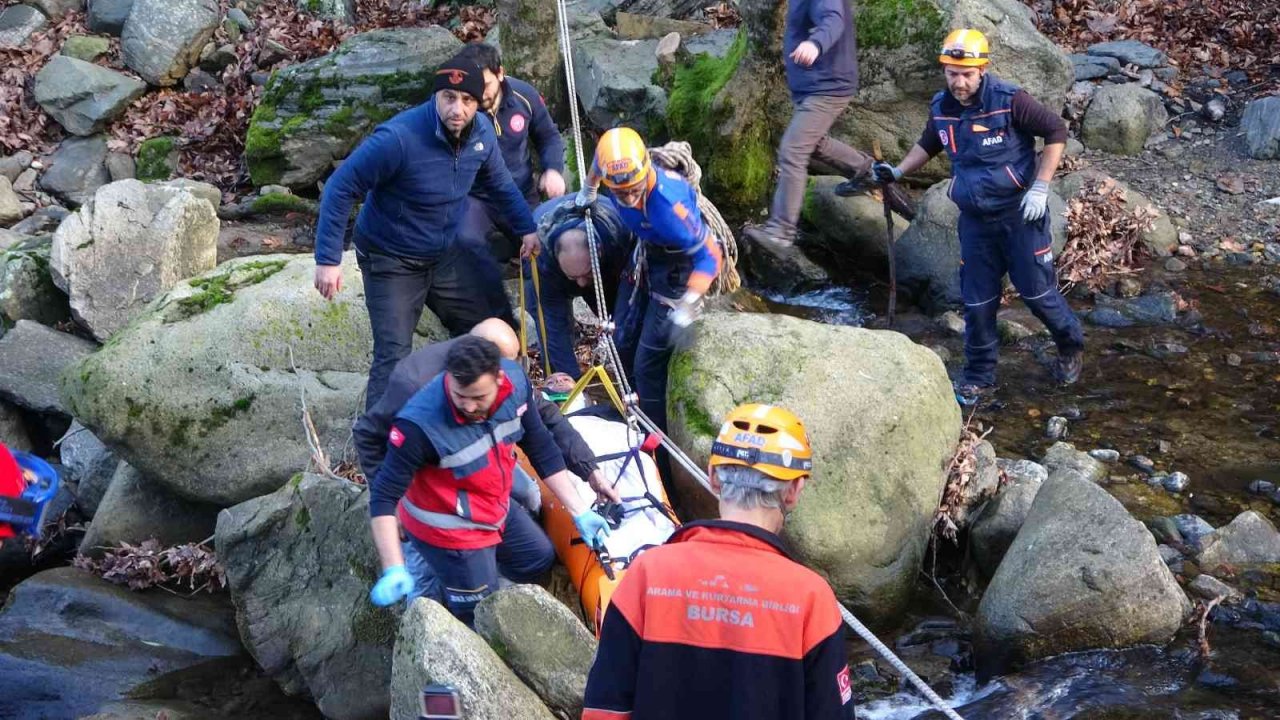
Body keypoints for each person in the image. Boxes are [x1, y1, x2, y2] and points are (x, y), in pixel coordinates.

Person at [582, 403, 855, 720]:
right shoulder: (811, 597)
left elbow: (604, 708)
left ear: (713, 476)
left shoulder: (647, 574)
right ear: (794, 490)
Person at [312, 54, 540, 411]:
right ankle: (379, 439)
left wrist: (527, 229)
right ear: (435, 96)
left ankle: (494, 413)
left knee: (493, 324)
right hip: (391, 257)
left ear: (479, 103)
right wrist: (328, 259)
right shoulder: (399, 138)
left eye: (467, 100)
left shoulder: (482, 133)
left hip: (444, 251)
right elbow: (341, 187)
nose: (457, 109)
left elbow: (501, 185)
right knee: (394, 356)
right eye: (449, 97)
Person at [873, 28, 1084, 404]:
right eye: (952, 73)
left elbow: (1056, 130)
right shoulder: (942, 107)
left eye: (967, 74)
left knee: (1037, 294)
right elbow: (930, 142)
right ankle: (979, 377)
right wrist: (899, 171)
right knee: (977, 302)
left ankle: (1070, 345)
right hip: (975, 221)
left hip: (1020, 215)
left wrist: (1040, 187)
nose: (959, 82)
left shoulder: (1009, 100)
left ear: (982, 70)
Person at [354, 319, 621, 605]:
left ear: (499, 375)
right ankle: (443, 602)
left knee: (537, 557)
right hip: (446, 522)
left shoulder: (513, 382)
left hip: (488, 495)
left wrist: (582, 502)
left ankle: (480, 581)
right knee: (451, 593)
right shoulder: (416, 407)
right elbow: (378, 472)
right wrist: (393, 560)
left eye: (479, 398)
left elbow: (542, 441)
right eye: (461, 397)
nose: (469, 406)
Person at [576, 127, 721, 433]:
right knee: (621, 341)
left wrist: (689, 300)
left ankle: (654, 437)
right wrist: (589, 189)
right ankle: (629, 410)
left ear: (646, 171)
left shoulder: (670, 207)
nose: (629, 198)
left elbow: (710, 255)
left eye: (634, 188)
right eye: (620, 193)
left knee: (647, 364)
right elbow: (598, 163)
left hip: (677, 267)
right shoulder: (613, 171)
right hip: (646, 252)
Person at [742, 0, 876, 252]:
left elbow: (833, 18)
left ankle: (781, 232)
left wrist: (816, 44)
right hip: (814, 88)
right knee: (813, 144)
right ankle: (867, 172)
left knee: (793, 149)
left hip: (827, 88)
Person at [526, 194, 635, 379]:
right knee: (551, 333)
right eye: (574, 277)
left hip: (609, 268)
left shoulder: (619, 232)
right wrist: (569, 384)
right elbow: (553, 327)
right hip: (550, 275)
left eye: (586, 274)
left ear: (598, 251)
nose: (581, 283)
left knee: (623, 324)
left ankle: (629, 376)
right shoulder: (539, 253)